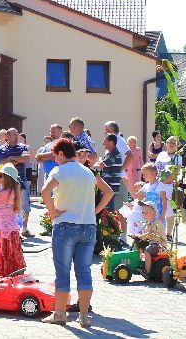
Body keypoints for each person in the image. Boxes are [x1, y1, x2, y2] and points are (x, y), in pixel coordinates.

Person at [42, 137, 113, 327]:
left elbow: (45, 191)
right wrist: (95, 211)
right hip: (88, 226)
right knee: (84, 271)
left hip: (65, 226)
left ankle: (59, 314)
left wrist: (52, 212)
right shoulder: (88, 172)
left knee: (62, 271)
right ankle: (84, 316)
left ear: (61, 154)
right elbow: (109, 192)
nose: (54, 159)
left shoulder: (60, 171)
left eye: (55, 156)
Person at [0, 163, 26, 276]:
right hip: (12, 228)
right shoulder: (14, 191)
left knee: (5, 255)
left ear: (6, 178)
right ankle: (15, 274)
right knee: (13, 254)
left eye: (1, 176)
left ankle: (6, 275)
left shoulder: (3, 192)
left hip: (4, 229)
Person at [0, 128, 32, 236]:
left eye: (17, 135)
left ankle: (24, 228)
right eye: (14, 135)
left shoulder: (23, 147)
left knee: (25, 204)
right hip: (7, 181)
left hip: (21, 179)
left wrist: (11, 157)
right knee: (8, 205)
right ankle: (11, 228)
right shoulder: (2, 148)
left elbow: (26, 158)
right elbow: (4, 162)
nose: (17, 137)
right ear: (7, 137)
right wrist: (17, 159)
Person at [130, 163, 167, 237]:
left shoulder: (160, 186)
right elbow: (135, 196)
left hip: (157, 215)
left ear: (153, 174)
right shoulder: (146, 186)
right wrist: (127, 184)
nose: (143, 176)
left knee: (158, 235)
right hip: (148, 216)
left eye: (145, 174)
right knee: (148, 234)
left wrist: (162, 216)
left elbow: (164, 203)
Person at [132, 200, 168, 276]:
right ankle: (138, 263)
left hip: (160, 244)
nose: (144, 214)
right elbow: (143, 233)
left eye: (146, 212)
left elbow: (150, 234)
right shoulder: (147, 222)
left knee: (147, 250)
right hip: (151, 242)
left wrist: (140, 236)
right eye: (143, 212)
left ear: (154, 213)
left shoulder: (156, 223)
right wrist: (136, 235)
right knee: (137, 243)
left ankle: (147, 272)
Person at [95, 134, 122, 211]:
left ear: (111, 142)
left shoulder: (114, 154)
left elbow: (100, 165)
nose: (103, 143)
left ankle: (110, 218)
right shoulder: (110, 154)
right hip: (109, 185)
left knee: (108, 209)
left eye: (105, 141)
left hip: (111, 185)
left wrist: (96, 163)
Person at [36, 124, 63, 193]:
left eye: (54, 132)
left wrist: (41, 156)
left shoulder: (61, 142)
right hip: (47, 174)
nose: (51, 134)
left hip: (56, 175)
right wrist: (46, 156)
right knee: (48, 195)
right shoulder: (48, 144)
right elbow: (37, 158)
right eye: (51, 132)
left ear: (60, 132)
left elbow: (54, 155)